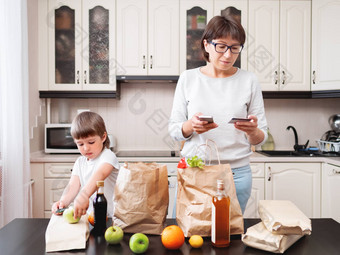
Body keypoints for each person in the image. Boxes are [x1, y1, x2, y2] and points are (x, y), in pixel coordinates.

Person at [168, 15, 268, 213]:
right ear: (206, 45)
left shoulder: (249, 80)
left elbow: (261, 138)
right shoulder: (188, 79)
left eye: (235, 48)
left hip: (236, 174)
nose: (228, 55)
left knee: (227, 236)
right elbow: (174, 130)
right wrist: (191, 126)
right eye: (221, 46)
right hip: (194, 170)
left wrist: (252, 131)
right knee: (185, 232)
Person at [52, 111, 120, 219]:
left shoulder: (108, 156)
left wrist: (83, 195)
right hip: (91, 217)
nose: (86, 148)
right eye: (80, 144)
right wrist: (62, 202)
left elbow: (100, 175)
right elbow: (72, 186)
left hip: (112, 217)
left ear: (103, 137)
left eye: (91, 142)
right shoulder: (80, 162)